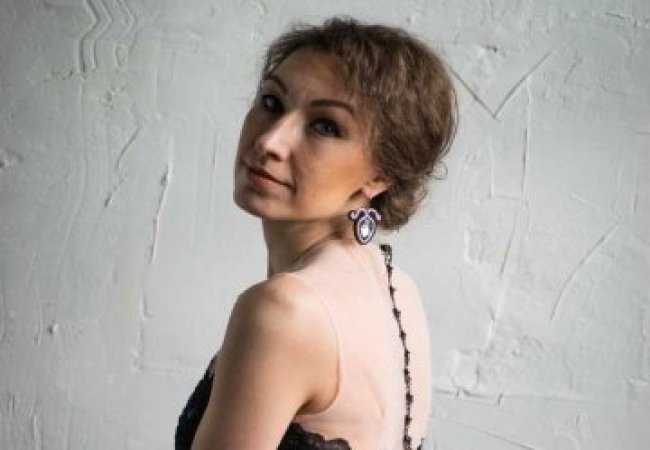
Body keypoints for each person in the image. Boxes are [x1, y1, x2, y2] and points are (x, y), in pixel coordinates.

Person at [175, 16, 457, 450]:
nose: (270, 141)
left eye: (325, 126)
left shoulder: (284, 310)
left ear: (381, 175)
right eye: (271, 102)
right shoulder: (397, 288)